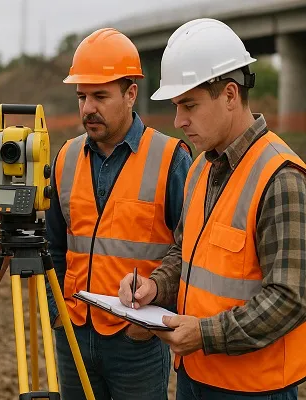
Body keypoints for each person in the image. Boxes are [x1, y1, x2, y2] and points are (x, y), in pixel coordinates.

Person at [119, 18, 306, 400]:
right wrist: (156, 285)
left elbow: (290, 298)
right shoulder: (201, 167)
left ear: (231, 95)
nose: (178, 121)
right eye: (176, 106)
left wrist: (204, 334)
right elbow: (185, 253)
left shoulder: (281, 177)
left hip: (255, 389)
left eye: (189, 105)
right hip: (194, 377)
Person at [45, 28, 192, 400]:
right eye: (81, 96)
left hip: (137, 343)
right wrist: (58, 314)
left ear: (130, 94)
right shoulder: (65, 158)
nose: (87, 108)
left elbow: (190, 251)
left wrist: (154, 319)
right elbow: (53, 246)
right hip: (74, 335)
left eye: (99, 96)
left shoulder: (171, 159)